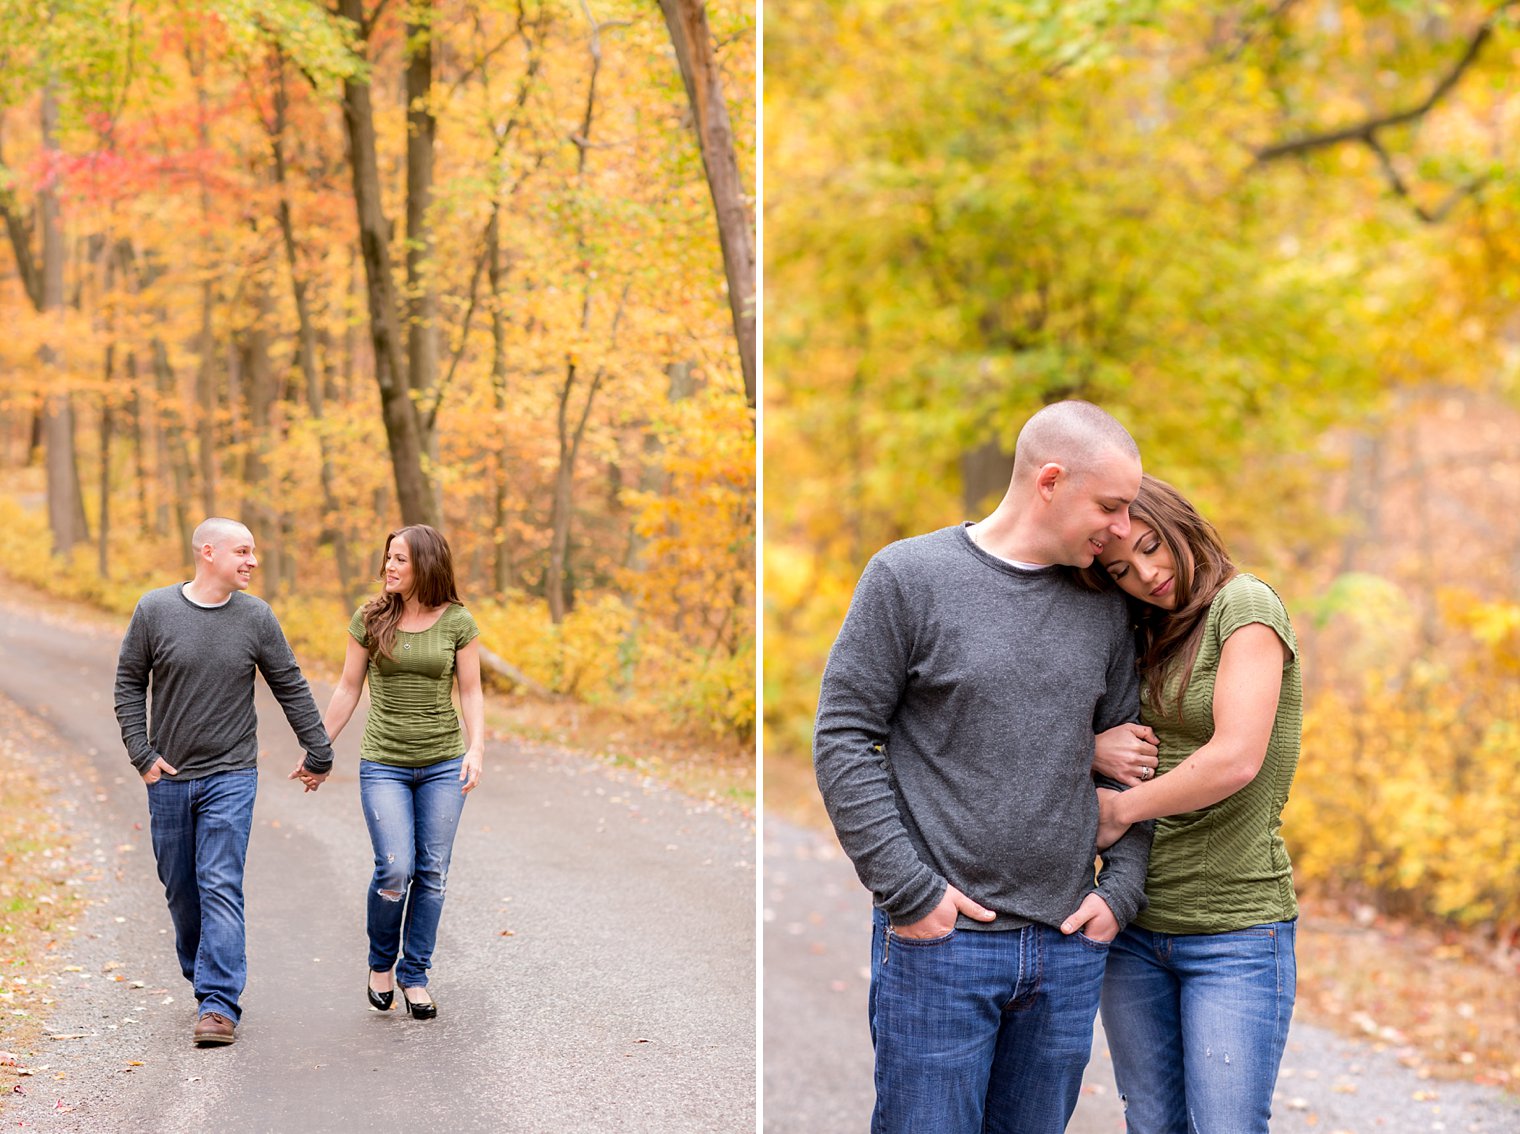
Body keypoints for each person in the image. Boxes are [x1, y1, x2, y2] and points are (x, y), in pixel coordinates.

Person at [813, 400, 1157, 1134]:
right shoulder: (909, 577)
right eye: (1111, 506)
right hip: (944, 948)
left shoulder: (1103, 608)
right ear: (1051, 481)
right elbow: (844, 736)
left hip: (1066, 950)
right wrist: (910, 893)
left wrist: (1119, 894)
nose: (1123, 529)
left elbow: (1130, 760)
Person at [1087, 474, 1303, 1133]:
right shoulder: (1144, 633)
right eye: (1122, 568)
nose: (1145, 574)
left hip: (1234, 930)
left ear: (1181, 524)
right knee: (1152, 1125)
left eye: (1153, 546)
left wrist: (1121, 810)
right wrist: (1090, 747)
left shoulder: (1246, 606)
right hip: (1137, 924)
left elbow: (1237, 756)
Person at [113, 517, 335, 1048]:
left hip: (231, 775)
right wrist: (141, 755)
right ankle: (203, 973)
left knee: (219, 883)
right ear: (207, 552)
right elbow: (127, 683)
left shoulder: (256, 617)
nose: (253, 560)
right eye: (243, 551)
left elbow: (290, 684)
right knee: (182, 891)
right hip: (167, 777)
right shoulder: (155, 609)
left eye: (254, 551)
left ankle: (218, 1004)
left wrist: (319, 750)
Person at [309, 524, 484, 1020]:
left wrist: (477, 749)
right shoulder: (369, 618)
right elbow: (347, 688)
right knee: (395, 867)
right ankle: (381, 962)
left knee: (432, 872)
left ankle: (416, 975)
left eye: (400, 559)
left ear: (425, 565)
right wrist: (318, 749)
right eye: (388, 557)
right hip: (383, 762)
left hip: (444, 763)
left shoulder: (458, 622)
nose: (389, 566)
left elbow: (470, 691)